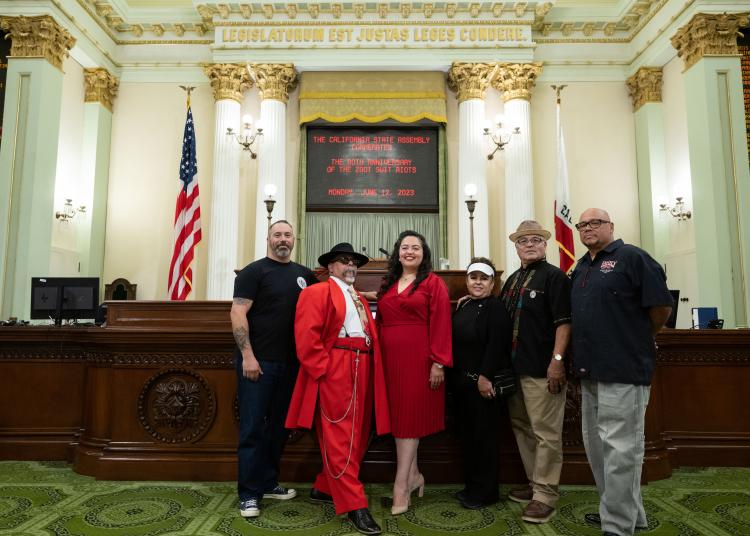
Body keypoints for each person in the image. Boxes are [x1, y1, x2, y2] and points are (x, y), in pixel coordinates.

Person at [571, 208, 673, 536]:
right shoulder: (582, 266)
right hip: (590, 370)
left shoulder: (633, 258)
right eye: (582, 224)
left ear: (611, 226)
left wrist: (637, 339)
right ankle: (628, 514)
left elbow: (660, 308)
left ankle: (617, 526)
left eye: (595, 223)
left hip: (624, 369)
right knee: (599, 448)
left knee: (621, 448)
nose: (588, 228)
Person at [285, 243, 390, 536]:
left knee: (357, 435)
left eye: (354, 261)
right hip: (338, 368)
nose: (350, 265)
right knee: (340, 436)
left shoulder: (354, 295)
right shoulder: (315, 292)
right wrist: (325, 371)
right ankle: (355, 504)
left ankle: (323, 486)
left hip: (364, 366)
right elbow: (306, 338)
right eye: (344, 261)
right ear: (330, 267)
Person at [230, 220, 318, 519]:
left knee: (280, 429)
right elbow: (238, 311)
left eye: (288, 235)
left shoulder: (305, 275)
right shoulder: (253, 272)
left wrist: (366, 299)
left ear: (295, 239)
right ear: (268, 238)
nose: (283, 239)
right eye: (277, 234)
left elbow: (330, 302)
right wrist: (247, 357)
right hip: (258, 364)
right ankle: (248, 494)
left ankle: (267, 483)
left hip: (293, 366)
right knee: (253, 429)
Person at [375, 230, 452, 515]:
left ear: (424, 253)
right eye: (405, 247)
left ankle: (401, 486)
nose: (410, 252)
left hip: (420, 361)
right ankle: (415, 474)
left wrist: (439, 362)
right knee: (399, 420)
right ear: (397, 252)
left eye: (415, 248)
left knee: (409, 422)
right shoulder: (389, 282)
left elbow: (442, 323)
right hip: (389, 361)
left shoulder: (434, 283)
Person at [500, 220, 572, 524]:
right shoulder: (513, 279)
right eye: (523, 241)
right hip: (515, 371)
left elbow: (564, 323)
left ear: (544, 245)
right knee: (523, 428)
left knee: (546, 433)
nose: (529, 244)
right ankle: (534, 484)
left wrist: (557, 360)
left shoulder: (555, 278)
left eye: (535, 240)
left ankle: (545, 494)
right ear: (516, 247)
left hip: (543, 371)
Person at [451, 257, 512, 509]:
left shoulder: (495, 308)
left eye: (483, 278)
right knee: (469, 439)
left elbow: (497, 346)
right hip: (463, 385)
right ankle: (472, 488)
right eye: (473, 277)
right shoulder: (464, 305)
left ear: (492, 283)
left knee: (485, 440)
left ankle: (486, 493)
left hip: (482, 385)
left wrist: (485, 377)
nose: (478, 282)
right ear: (467, 281)